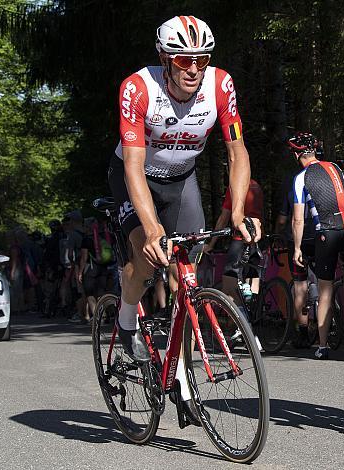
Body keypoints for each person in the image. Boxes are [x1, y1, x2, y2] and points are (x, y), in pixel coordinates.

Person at [107, 16, 260, 421]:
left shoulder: (219, 84)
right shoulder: (138, 88)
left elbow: (237, 153)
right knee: (146, 256)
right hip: (135, 179)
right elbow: (134, 165)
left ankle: (181, 375)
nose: (194, 68)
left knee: (187, 278)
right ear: (165, 59)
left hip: (182, 180)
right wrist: (152, 226)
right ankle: (126, 320)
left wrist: (239, 209)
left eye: (201, 59)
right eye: (183, 60)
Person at [290, 132, 344, 360]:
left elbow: (298, 219)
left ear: (297, 154)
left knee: (325, 290)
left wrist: (297, 248)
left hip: (327, 232)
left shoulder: (300, 178)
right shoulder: (335, 167)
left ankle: (323, 346)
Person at [203, 177, 264, 350]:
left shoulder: (237, 187)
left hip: (240, 239)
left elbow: (224, 217)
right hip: (257, 239)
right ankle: (252, 326)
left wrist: (211, 243)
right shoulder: (256, 186)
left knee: (229, 287)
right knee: (252, 285)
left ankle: (244, 329)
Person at [275, 167, 318, 349]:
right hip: (319, 236)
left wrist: (277, 234)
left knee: (300, 286)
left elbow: (284, 219)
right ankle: (326, 327)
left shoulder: (293, 185)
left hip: (298, 238)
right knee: (325, 283)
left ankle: (303, 333)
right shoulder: (322, 183)